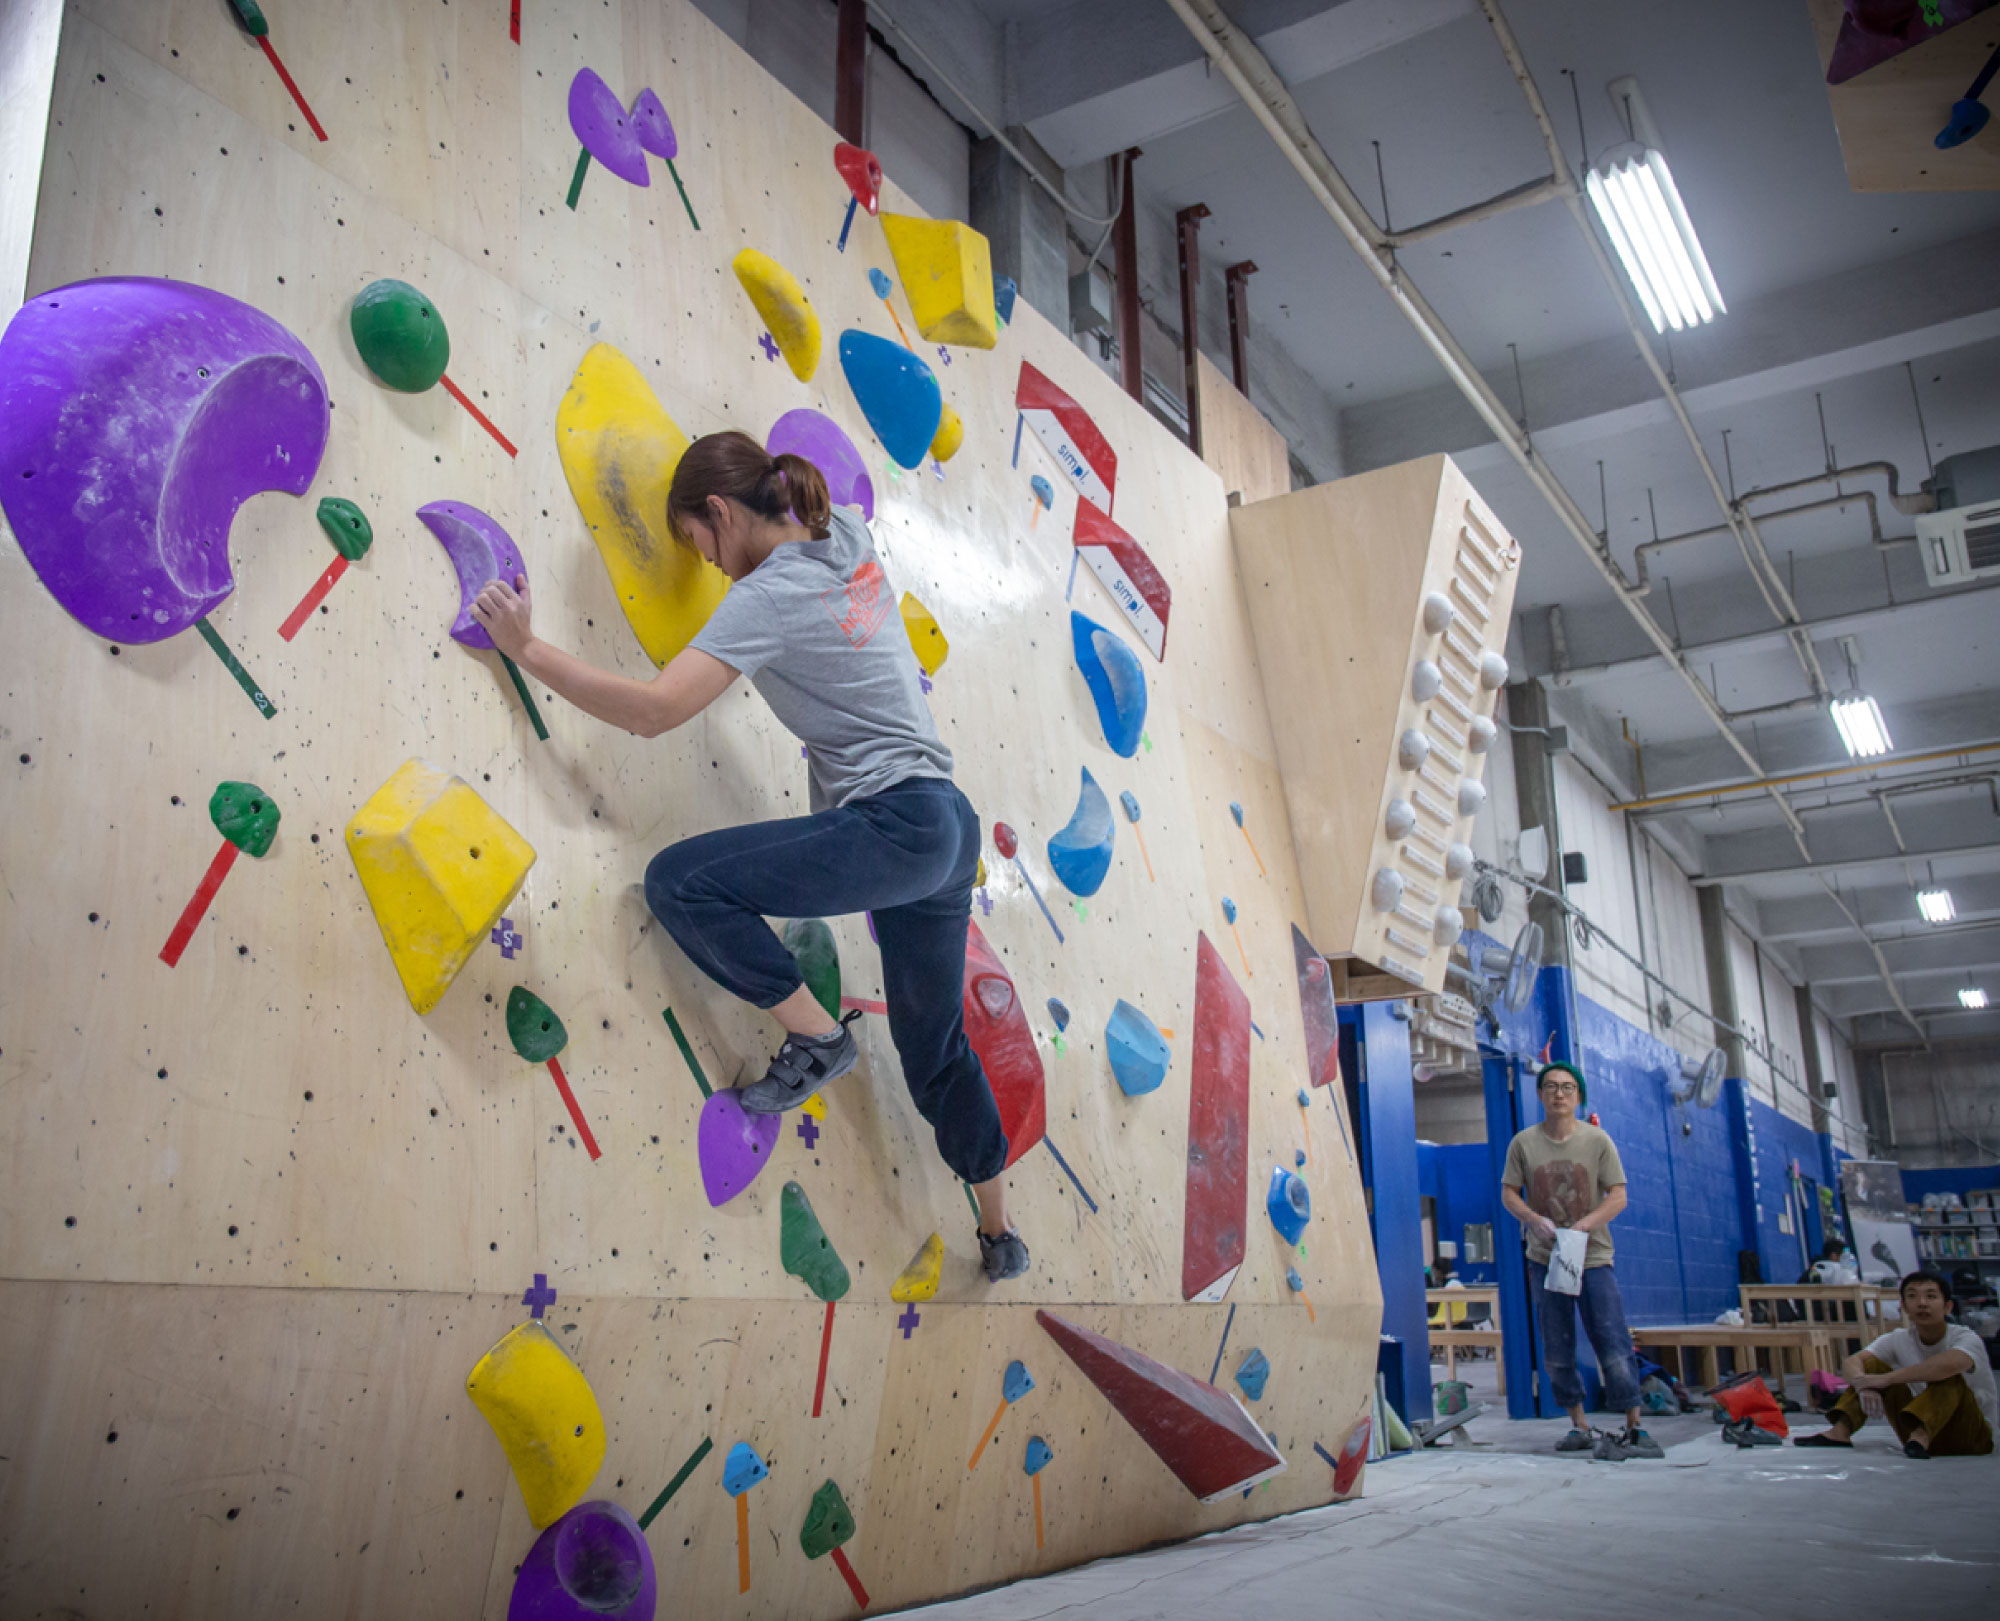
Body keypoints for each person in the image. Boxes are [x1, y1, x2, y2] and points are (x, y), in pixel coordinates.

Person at [469, 432, 1030, 1283]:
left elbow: (656, 713)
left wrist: (528, 650)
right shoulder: (840, 535)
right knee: (937, 1049)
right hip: (949, 825)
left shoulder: (766, 596)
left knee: (681, 882)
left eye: (700, 544)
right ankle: (1000, 1231)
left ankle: (816, 1041)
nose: (712, 568)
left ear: (721, 514)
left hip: (898, 824)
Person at [1500, 1061, 1662, 1460]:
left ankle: (1635, 1427)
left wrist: (1585, 1226)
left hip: (1593, 1258)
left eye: (1568, 1087)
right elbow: (1509, 1193)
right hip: (1545, 1259)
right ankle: (1579, 1425)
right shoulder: (1523, 1143)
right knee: (1557, 1345)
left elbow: (1618, 1195)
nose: (1559, 1093)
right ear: (1540, 1094)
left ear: (1578, 1096)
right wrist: (1532, 1219)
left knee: (1612, 1340)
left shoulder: (1597, 1141)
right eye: (1551, 1086)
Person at [1796, 1271, 1995, 1456]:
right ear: (1904, 1306)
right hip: (1914, 1435)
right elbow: (1853, 1361)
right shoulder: (1898, 1338)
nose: (1922, 1303)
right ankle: (1840, 1432)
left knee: (1948, 1376)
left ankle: (1922, 1435)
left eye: (1931, 1296)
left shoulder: (1966, 1338)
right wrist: (1862, 1384)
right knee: (1871, 1364)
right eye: (1913, 1296)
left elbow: (1945, 1366)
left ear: (1947, 1306)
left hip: (1972, 1434)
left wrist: (1885, 1380)